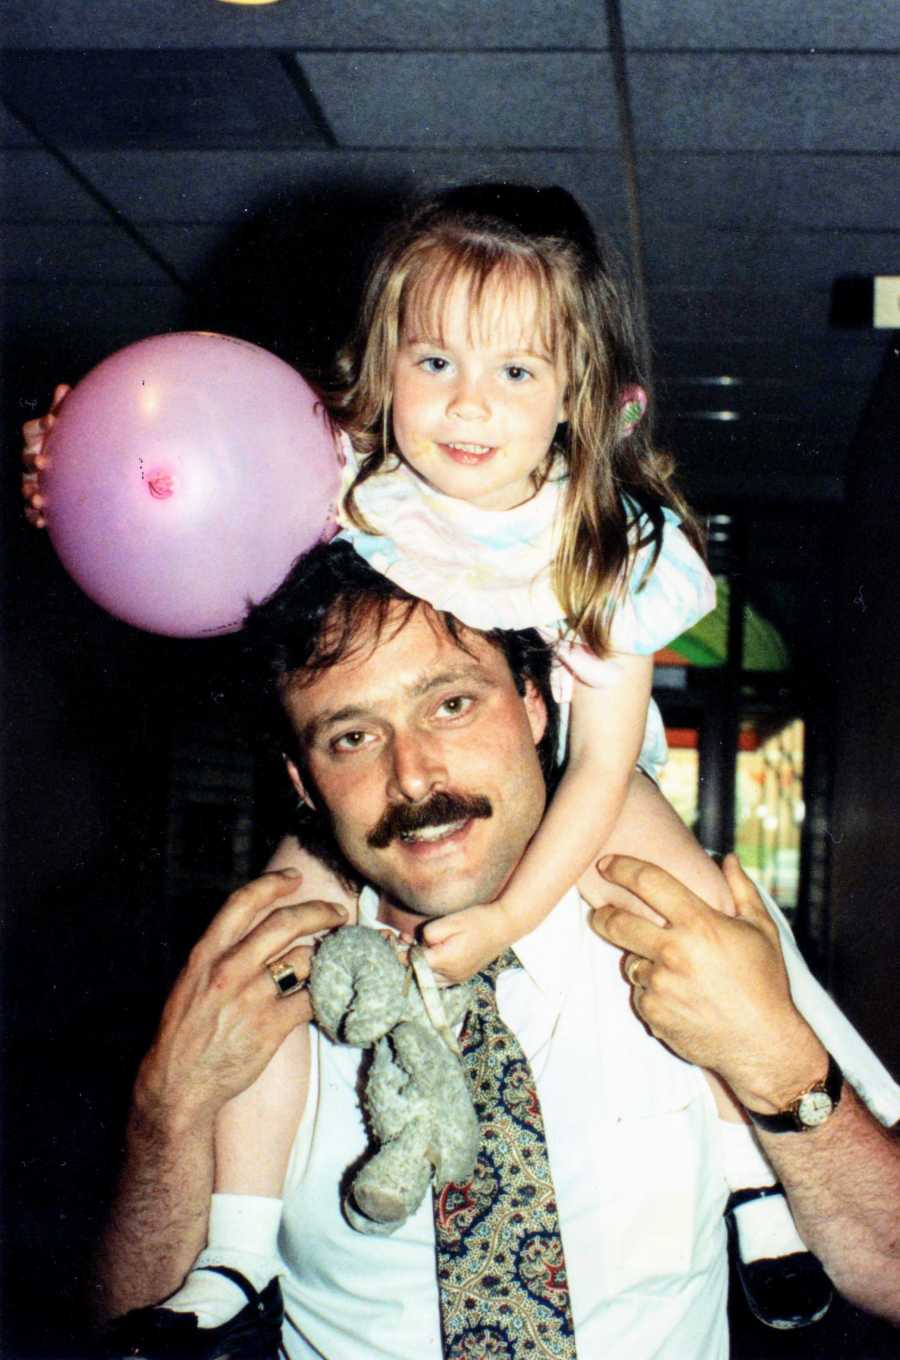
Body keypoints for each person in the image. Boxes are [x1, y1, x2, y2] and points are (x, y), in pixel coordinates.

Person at [23, 184, 814, 1329]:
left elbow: (595, 773)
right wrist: (75, 469)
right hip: (416, 825)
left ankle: (757, 1187)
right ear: (382, 363)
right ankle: (235, 1253)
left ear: (575, 401)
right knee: (271, 948)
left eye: (516, 373)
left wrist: (504, 921)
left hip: (593, 773)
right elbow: (177, 487)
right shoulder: (354, 489)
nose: (467, 406)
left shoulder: (605, 545)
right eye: (433, 361)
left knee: (691, 912)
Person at [96, 541, 900, 1360]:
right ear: (302, 781)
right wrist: (165, 1113)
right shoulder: (257, 991)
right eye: (351, 738)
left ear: (536, 703)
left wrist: (780, 1064)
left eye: (451, 705)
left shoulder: (687, 924)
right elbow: (121, 1330)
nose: (413, 776)